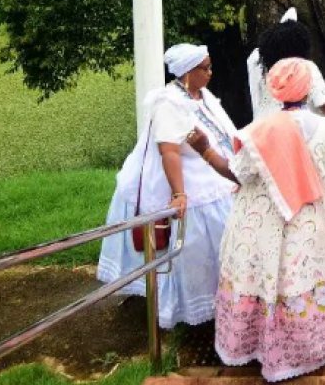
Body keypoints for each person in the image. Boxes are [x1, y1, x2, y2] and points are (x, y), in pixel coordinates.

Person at [189, 58, 325, 381]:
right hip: (322, 215)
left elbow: (238, 173)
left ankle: (270, 348)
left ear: (274, 90)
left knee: (272, 277)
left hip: (265, 222)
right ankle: (321, 341)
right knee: (318, 273)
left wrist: (205, 150)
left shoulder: (258, 132)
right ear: (309, 88)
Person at [96, 43, 239, 327]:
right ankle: (185, 305)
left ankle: (221, 298)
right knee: (189, 244)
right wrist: (179, 193)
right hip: (185, 178)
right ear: (187, 72)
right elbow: (169, 150)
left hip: (212, 172)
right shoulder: (168, 102)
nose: (211, 73)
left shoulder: (203, 95)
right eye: (205, 68)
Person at [247, 8, 325, 123]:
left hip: (261, 127)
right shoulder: (304, 66)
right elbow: (322, 101)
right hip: (297, 128)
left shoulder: (254, 61)